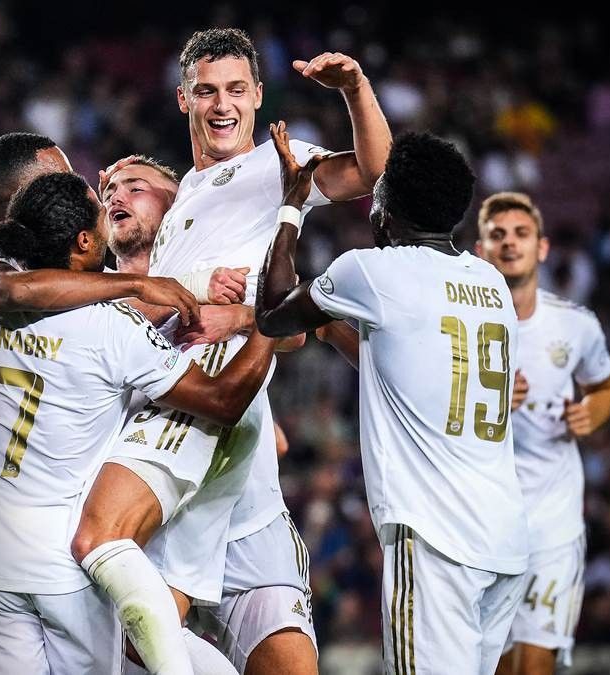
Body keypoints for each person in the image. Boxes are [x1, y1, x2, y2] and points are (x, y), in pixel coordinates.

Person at [79, 27, 391, 674]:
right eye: (207, 91)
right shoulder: (177, 208)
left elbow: (373, 171)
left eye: (236, 90)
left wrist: (356, 90)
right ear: (183, 99)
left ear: (257, 96)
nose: (222, 104)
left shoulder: (277, 164)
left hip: (235, 466)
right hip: (189, 443)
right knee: (132, 636)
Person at [0, 172, 278, 674]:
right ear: (83, 242)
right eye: (100, 214)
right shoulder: (113, 328)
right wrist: (269, 321)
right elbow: (224, 401)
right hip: (66, 571)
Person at [257, 124, 529, 673]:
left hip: (434, 538)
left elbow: (272, 312)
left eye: (376, 197)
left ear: (386, 210)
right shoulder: (491, 283)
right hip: (503, 538)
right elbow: (412, 373)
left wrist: (292, 207)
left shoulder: (373, 270)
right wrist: (335, 333)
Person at [473, 193, 610, 675]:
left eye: (521, 234)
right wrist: (489, 399)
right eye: (498, 235)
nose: (509, 243)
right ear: (480, 251)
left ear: (542, 248)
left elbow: (605, 386)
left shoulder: (575, 325)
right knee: (492, 662)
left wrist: (591, 413)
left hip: (553, 520)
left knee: (534, 664)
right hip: (484, 519)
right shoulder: (459, 329)